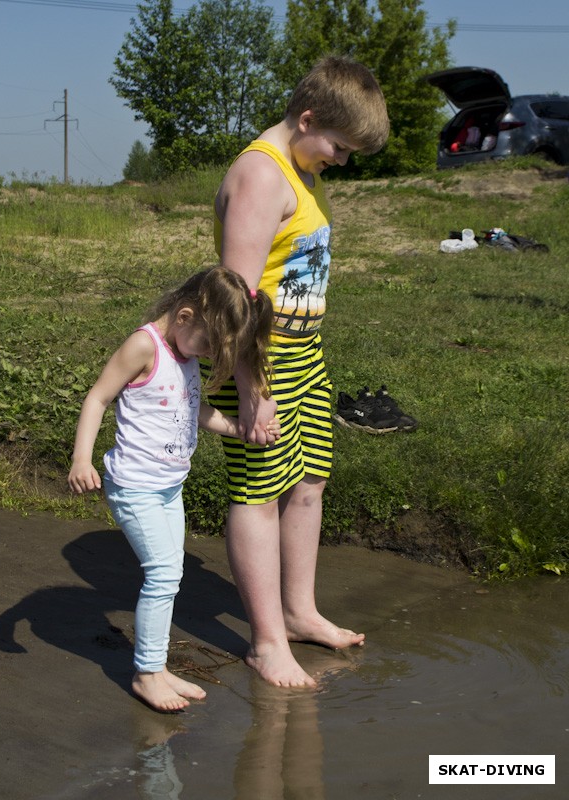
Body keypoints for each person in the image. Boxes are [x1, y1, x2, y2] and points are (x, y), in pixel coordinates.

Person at [208, 55, 390, 688]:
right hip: (263, 363)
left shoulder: (302, 168)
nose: (340, 160)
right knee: (258, 494)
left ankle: (299, 611)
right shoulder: (262, 174)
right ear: (308, 119)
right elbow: (237, 296)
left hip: (305, 356)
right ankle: (265, 643)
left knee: (308, 482)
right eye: (338, 147)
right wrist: (252, 389)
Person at [68, 267, 277, 712]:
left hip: (168, 487)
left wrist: (240, 429)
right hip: (135, 487)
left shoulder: (185, 354)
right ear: (184, 316)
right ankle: (146, 674)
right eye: (207, 345)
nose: (206, 355)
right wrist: (81, 459)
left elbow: (193, 409)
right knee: (163, 574)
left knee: (170, 575)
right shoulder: (145, 345)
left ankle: (157, 667)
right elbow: (97, 398)